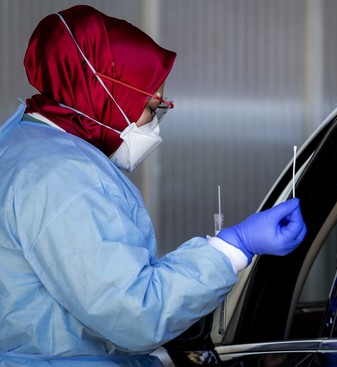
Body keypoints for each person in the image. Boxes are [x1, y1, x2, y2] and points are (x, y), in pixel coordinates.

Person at [0, 5, 306, 367]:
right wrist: (232, 248)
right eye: (150, 108)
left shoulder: (21, 142)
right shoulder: (63, 177)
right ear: (104, 94)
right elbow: (134, 313)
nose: (153, 125)